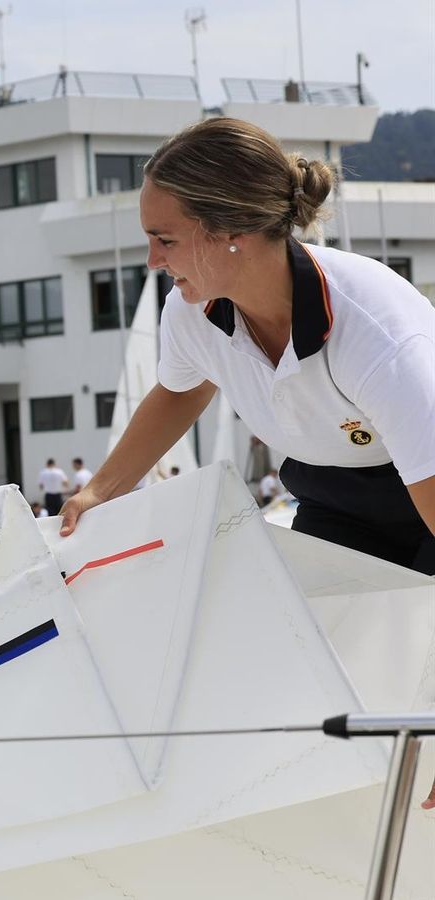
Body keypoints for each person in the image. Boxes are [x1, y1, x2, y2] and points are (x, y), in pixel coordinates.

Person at [59, 117, 435, 807]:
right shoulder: (194, 312)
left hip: (426, 490)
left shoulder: (377, 335)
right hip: (336, 495)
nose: (153, 260)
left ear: (230, 229)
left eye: (165, 239)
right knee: (305, 657)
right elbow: (181, 391)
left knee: (418, 670)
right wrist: (100, 492)